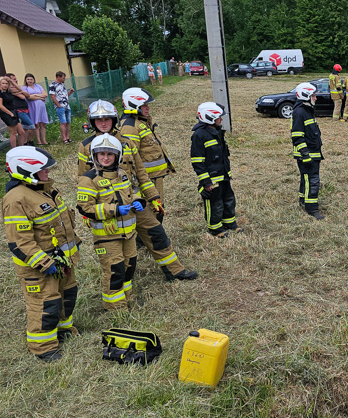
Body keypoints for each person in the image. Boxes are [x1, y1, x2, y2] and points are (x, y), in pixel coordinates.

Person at [79, 100, 197, 282]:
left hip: (132, 199)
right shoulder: (86, 146)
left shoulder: (126, 142)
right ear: (92, 121)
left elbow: (141, 172)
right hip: (108, 208)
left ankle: (175, 271)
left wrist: (153, 197)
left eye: (107, 119)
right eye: (98, 119)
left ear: (114, 120)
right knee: (116, 252)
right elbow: (83, 179)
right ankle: (120, 288)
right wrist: (87, 214)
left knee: (156, 233)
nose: (103, 123)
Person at [2, 146, 80, 361]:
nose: (48, 172)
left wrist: (75, 245)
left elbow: (63, 223)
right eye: (43, 169)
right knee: (45, 304)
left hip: (62, 261)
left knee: (67, 296)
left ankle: (63, 330)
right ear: (26, 170)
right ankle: (43, 347)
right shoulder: (16, 199)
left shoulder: (45, 190)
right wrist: (45, 263)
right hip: (39, 268)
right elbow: (20, 242)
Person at [77, 134, 143, 310]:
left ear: (117, 156)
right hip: (107, 236)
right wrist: (113, 210)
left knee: (129, 265)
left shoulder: (122, 174)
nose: (105, 158)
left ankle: (127, 299)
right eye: (101, 154)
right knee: (114, 270)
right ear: (94, 156)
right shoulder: (88, 179)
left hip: (128, 233)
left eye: (110, 154)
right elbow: (85, 208)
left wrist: (138, 200)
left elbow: (130, 192)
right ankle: (115, 308)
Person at [191, 102, 243, 235]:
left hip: (223, 175)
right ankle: (215, 229)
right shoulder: (199, 135)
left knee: (229, 200)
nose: (221, 119)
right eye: (219, 117)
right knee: (215, 204)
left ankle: (230, 224)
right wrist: (206, 181)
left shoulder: (217, 132)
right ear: (210, 118)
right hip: (212, 179)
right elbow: (197, 161)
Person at [118, 88, 176, 206]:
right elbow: (131, 159)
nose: (148, 107)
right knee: (153, 212)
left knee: (159, 209)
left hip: (154, 177)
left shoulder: (142, 121)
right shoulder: (130, 127)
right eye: (144, 105)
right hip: (146, 180)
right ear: (133, 105)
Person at [289, 83, 325, 220]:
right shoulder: (300, 112)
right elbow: (297, 136)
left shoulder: (307, 110)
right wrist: (305, 154)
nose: (315, 98)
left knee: (306, 179)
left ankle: (303, 201)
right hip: (307, 154)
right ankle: (312, 208)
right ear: (306, 96)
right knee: (312, 180)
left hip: (312, 153)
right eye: (313, 96)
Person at [0, 77, 25, 149]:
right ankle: (14, 149)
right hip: (6, 112)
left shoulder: (8, 91)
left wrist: (11, 81)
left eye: (6, 83)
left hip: (14, 111)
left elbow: (20, 89)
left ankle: (21, 148)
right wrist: (10, 113)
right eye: (3, 83)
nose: (5, 85)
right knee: (13, 133)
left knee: (21, 132)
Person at [6, 74, 35, 145]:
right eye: (13, 79)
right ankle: (30, 141)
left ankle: (25, 142)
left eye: (15, 79)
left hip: (25, 108)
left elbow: (27, 95)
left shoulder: (18, 87)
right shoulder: (9, 89)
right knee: (31, 126)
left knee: (25, 128)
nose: (15, 80)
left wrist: (20, 92)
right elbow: (22, 96)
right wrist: (21, 92)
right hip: (19, 109)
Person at [22, 73, 49, 146]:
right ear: (25, 80)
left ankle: (44, 140)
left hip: (42, 108)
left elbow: (45, 95)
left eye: (31, 79)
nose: (30, 81)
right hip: (33, 108)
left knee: (43, 124)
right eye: (28, 79)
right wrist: (40, 97)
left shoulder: (38, 86)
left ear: (34, 80)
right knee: (36, 124)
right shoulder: (24, 88)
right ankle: (38, 141)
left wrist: (34, 95)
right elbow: (29, 97)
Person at [48, 71, 74, 144]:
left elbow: (65, 96)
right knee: (63, 122)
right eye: (63, 77)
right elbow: (52, 96)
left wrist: (70, 92)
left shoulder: (62, 85)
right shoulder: (52, 85)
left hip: (67, 105)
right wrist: (58, 105)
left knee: (68, 122)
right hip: (60, 106)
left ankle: (68, 137)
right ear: (58, 77)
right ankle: (64, 138)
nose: (64, 79)